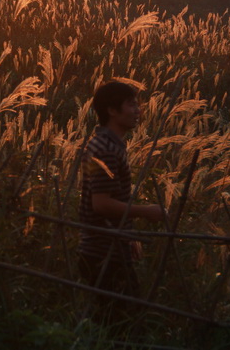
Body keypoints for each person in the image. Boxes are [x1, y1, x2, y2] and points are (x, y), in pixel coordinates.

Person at [78, 80, 166, 314]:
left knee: (116, 324)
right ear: (111, 110)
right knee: (121, 327)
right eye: (131, 105)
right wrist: (146, 211)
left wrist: (128, 234)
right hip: (103, 252)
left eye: (137, 105)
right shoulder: (105, 149)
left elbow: (112, 198)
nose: (138, 111)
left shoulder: (108, 144)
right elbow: (101, 203)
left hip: (111, 246)